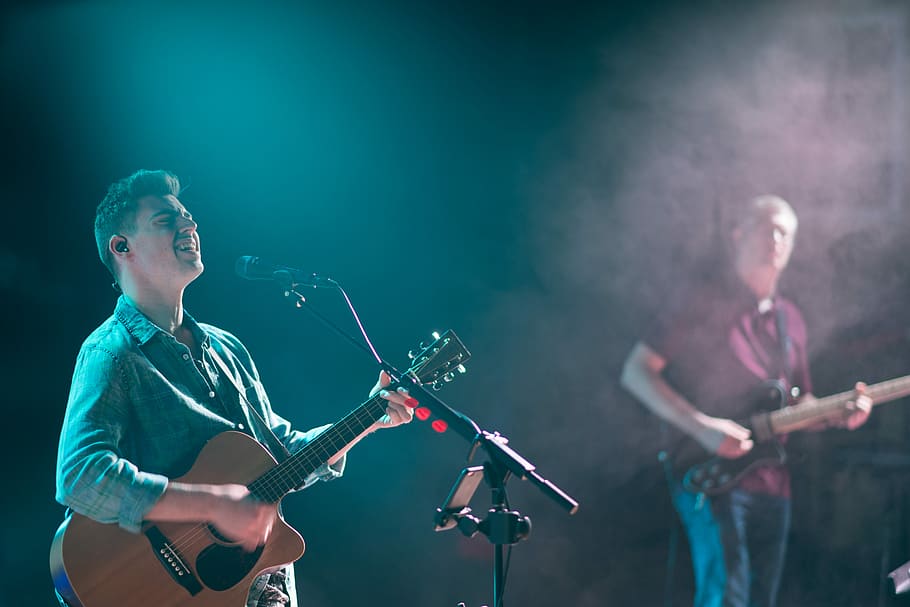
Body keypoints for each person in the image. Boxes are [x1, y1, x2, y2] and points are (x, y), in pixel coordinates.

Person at [54, 169, 416, 607]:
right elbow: (80, 477)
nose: (190, 226)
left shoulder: (228, 349)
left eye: (188, 218)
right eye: (166, 220)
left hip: (266, 588)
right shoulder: (112, 353)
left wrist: (370, 416)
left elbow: (282, 455)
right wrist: (211, 504)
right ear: (121, 246)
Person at [620, 195, 872, 607]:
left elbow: (794, 407)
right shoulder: (703, 302)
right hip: (710, 476)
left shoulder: (791, 318)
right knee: (725, 594)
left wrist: (837, 415)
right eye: (766, 229)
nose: (776, 240)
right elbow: (636, 371)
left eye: (785, 233)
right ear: (739, 235)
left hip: (774, 483)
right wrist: (701, 426)